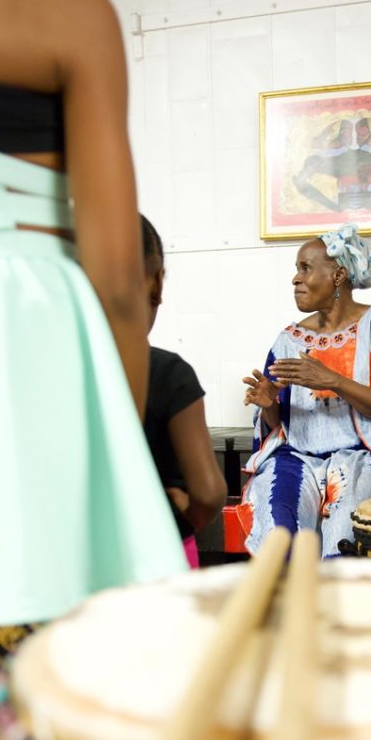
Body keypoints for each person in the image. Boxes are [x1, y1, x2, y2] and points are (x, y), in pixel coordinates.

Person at [0, 0, 186, 740]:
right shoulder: (61, 5)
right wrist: (120, 464)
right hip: (28, 371)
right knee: (58, 694)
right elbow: (115, 277)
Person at [241, 223, 371, 558]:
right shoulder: (288, 339)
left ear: (338, 275)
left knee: (349, 521)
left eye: (305, 268)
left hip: (368, 456)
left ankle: (341, 604)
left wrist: (332, 380)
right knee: (276, 515)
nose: (295, 279)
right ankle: (288, 603)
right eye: (296, 270)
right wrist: (269, 406)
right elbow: (279, 427)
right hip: (298, 458)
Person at [141, 215, 227, 567]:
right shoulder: (167, 372)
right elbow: (208, 493)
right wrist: (180, 512)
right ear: (157, 282)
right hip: (159, 553)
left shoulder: (45, 366)